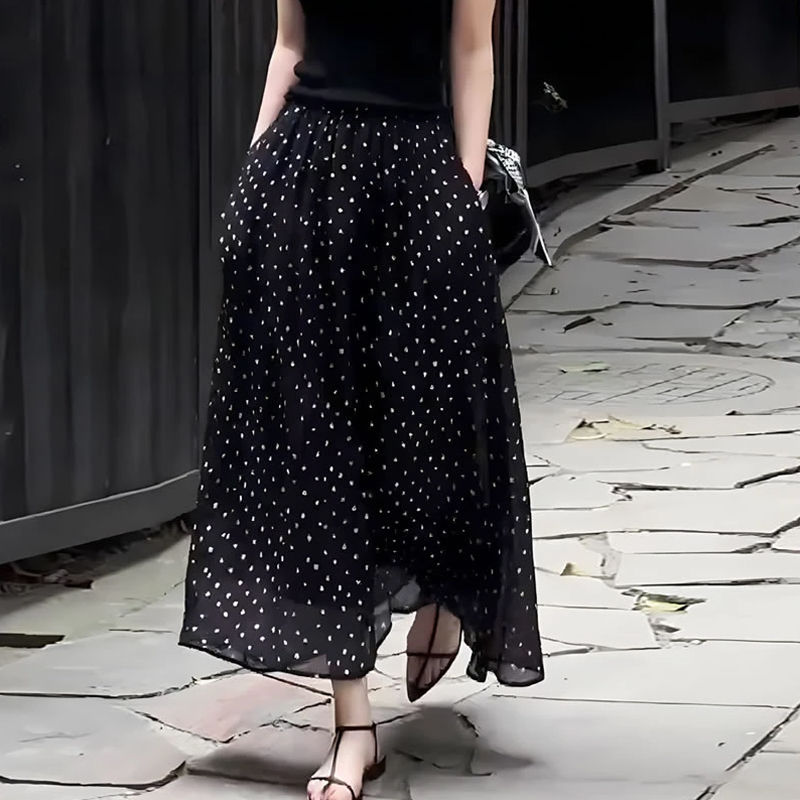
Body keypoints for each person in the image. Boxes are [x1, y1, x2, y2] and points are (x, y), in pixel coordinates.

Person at [180, 1, 544, 797]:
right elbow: (290, 44)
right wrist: (251, 183)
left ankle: (444, 591)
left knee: (437, 425)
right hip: (304, 179)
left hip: (416, 175)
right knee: (320, 450)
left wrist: (465, 189)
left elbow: (472, 50)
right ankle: (353, 725)